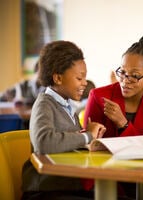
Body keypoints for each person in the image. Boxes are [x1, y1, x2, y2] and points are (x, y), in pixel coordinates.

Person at [84, 32, 143, 199]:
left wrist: (123, 123)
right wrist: (89, 133)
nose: (125, 80)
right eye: (122, 72)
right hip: (100, 178)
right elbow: (86, 142)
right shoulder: (98, 96)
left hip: (136, 180)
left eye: (135, 76)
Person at [21, 40, 106, 200]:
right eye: (79, 78)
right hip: (44, 191)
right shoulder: (44, 104)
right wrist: (86, 136)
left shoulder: (66, 105)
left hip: (67, 186)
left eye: (85, 78)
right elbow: (44, 143)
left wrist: (91, 141)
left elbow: (69, 143)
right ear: (58, 78)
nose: (85, 83)